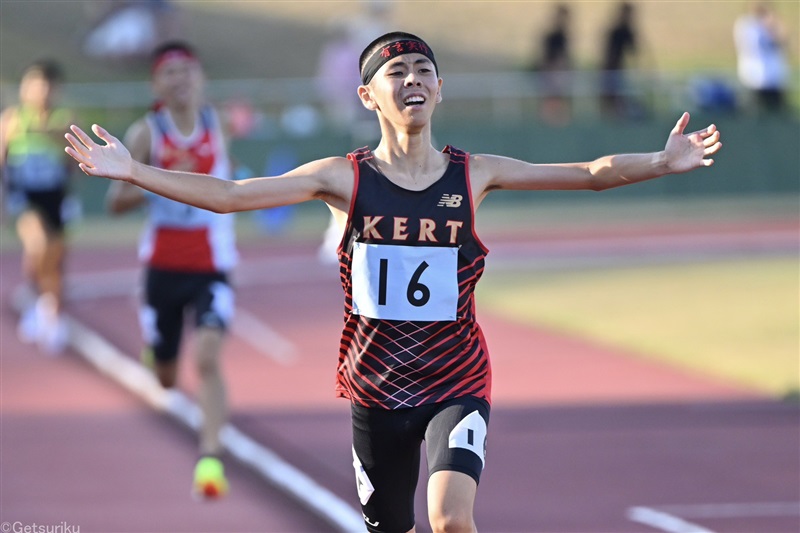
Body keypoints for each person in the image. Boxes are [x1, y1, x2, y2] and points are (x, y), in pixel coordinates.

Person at [66, 31, 722, 533]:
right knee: (392, 524)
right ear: (367, 95)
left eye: (424, 71)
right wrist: (133, 173)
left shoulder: (476, 173)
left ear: (439, 91)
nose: (412, 79)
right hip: (374, 387)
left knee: (451, 517)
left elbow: (589, 170)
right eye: (395, 71)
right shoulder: (343, 177)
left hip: (456, 378)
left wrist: (662, 162)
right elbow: (231, 195)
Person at [103, 41, 236, 500]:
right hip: (162, 264)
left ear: (201, 79)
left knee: (208, 357)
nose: (180, 80)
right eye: (170, 73)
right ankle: (157, 350)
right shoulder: (147, 133)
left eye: (188, 71)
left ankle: (211, 458)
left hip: (212, 264)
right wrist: (155, 178)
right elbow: (113, 203)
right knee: (164, 377)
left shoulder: (216, 124)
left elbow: (227, 180)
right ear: (157, 84)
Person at [1, 60, 76, 354]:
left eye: (48, 86)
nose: (42, 91)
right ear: (25, 88)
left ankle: (46, 305)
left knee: (52, 259)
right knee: (39, 244)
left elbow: (75, 165)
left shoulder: (65, 120)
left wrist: (54, 137)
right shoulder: (12, 120)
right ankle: (44, 308)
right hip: (24, 199)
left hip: (55, 199)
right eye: (35, 84)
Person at [733, 1, 790, 113]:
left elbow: (782, 44)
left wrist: (773, 26)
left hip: (774, 81)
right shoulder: (746, 24)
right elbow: (754, 46)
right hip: (754, 80)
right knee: (756, 114)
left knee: (777, 115)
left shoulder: (770, 24)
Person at [530, 3, 573, 126]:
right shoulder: (551, 37)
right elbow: (544, 57)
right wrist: (551, 69)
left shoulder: (564, 36)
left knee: (559, 100)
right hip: (551, 73)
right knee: (550, 99)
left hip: (559, 73)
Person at [599, 1, 640, 119]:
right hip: (610, 70)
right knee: (610, 99)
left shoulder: (625, 30)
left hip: (618, 70)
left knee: (618, 99)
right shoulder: (615, 31)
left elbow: (634, 51)